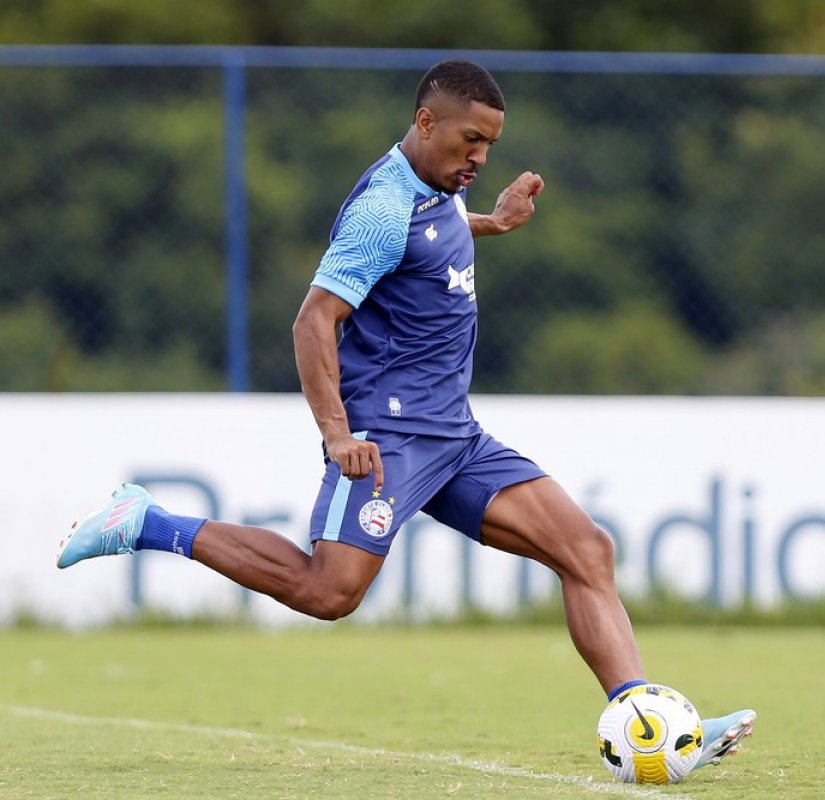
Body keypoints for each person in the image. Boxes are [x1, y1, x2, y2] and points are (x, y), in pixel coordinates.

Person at [57, 58, 754, 774]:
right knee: (328, 592)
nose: (480, 158)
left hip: (455, 435)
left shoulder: (438, 189)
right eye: (470, 141)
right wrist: (336, 434)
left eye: (490, 144)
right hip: (388, 438)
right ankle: (146, 522)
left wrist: (495, 222)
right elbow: (313, 321)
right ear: (427, 122)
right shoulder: (382, 208)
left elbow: (433, 239)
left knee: (587, 551)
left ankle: (656, 728)